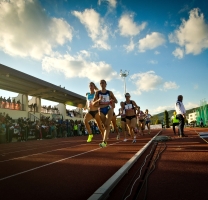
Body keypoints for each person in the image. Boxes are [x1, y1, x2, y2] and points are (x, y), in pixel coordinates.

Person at [93, 79, 118, 147]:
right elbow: (93, 103)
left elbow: (116, 101)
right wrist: (98, 100)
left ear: (106, 84)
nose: (102, 84)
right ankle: (107, 133)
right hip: (101, 109)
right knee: (106, 126)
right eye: (101, 83)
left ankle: (104, 142)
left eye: (103, 83)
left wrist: (113, 100)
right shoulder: (97, 93)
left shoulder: (109, 92)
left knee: (107, 124)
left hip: (108, 108)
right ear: (100, 84)